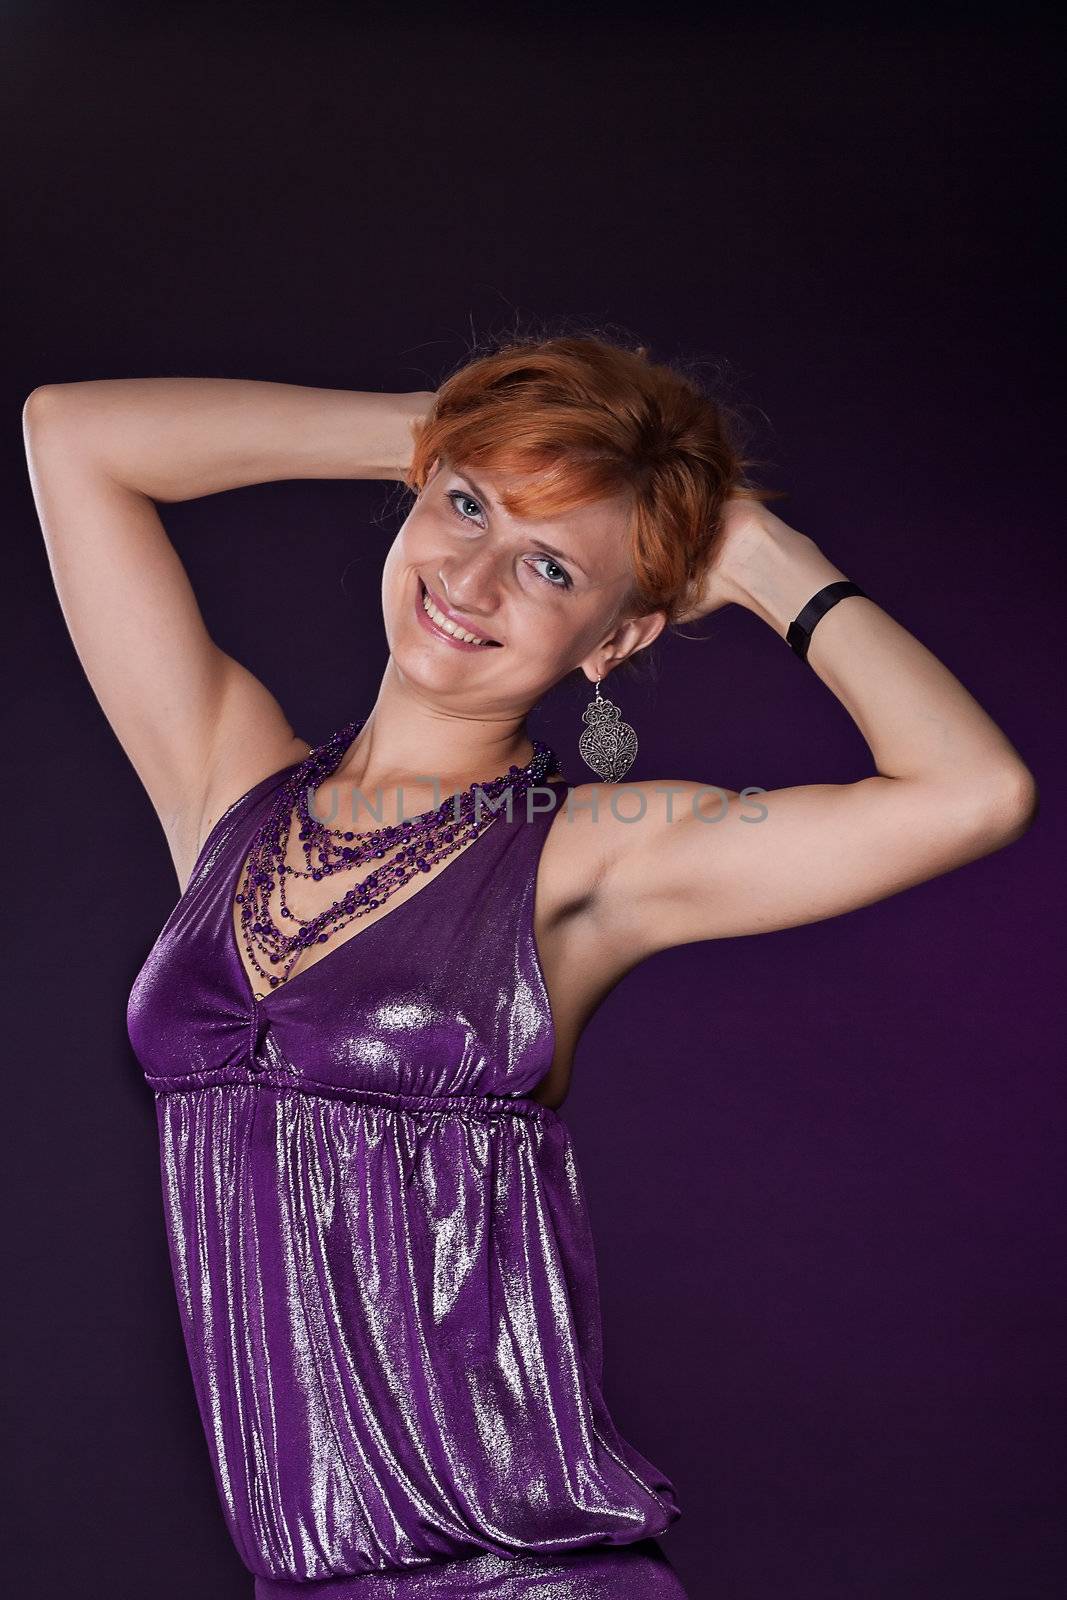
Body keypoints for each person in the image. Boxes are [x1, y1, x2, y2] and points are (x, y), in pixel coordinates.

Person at [22, 334, 1038, 1599]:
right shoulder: (226, 785)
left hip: (518, 1580)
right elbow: (74, 435)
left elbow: (972, 794)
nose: (472, 575)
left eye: (549, 565)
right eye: (463, 510)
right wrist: (450, 431)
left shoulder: (590, 856)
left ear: (613, 641)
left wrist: (768, 556)